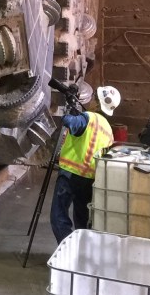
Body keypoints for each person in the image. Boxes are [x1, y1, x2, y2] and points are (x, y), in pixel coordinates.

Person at [50, 84, 120, 243]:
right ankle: (83, 251)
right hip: (89, 180)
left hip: (70, 175)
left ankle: (67, 250)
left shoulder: (89, 117)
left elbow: (68, 122)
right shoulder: (108, 129)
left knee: (58, 216)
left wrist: (69, 107)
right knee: (82, 219)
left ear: (96, 101)